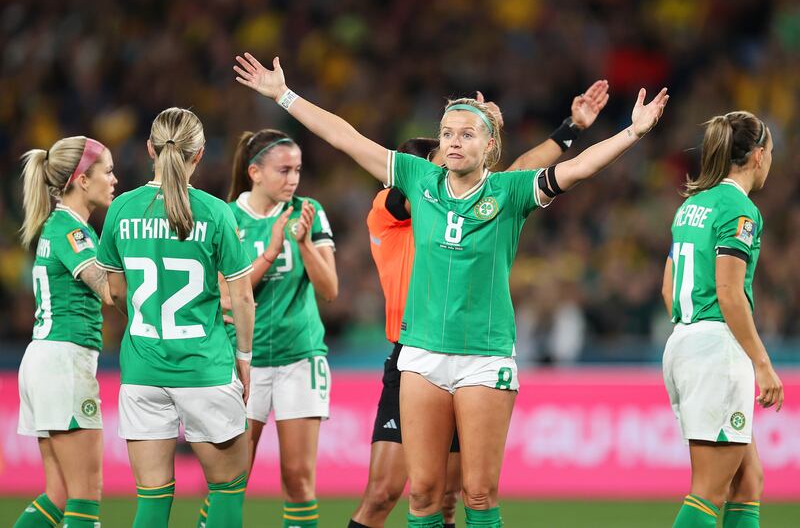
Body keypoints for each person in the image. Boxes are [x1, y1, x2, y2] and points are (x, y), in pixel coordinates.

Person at [233, 52, 667, 528]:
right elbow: (345, 137)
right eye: (447, 134)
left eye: (466, 134)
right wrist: (284, 95)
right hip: (420, 353)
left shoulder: (509, 192)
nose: (454, 142)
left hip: (484, 356)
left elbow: (578, 168)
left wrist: (632, 132)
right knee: (421, 493)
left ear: (490, 145)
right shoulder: (419, 180)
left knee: (477, 494)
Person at [350, 82, 609, 528]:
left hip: (470, 349)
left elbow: (516, 174)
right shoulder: (392, 210)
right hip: (414, 351)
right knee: (387, 492)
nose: (450, 160)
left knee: (454, 496)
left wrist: (567, 130)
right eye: (441, 153)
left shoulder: (467, 201)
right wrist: (475, 134)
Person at [95, 107, 255, 528]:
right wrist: (244, 357)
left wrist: (142, 317)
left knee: (151, 498)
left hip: (142, 370)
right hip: (205, 368)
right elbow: (242, 295)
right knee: (227, 489)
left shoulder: (121, 209)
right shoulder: (215, 212)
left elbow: (115, 291)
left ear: (150, 148)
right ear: (199, 153)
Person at [196, 128, 337, 528]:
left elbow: (330, 289)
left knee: (298, 479)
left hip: (300, 356)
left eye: (298, 170)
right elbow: (226, 295)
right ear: (255, 172)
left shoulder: (308, 211)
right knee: (232, 478)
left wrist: (304, 244)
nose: (293, 179)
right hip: (244, 361)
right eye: (284, 170)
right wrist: (272, 251)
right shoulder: (226, 216)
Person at [661, 111, 783, 528]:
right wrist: (762, 364)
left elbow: (668, 288)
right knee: (709, 491)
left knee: (749, 482)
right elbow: (729, 293)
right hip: (716, 351)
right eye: (771, 153)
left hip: (684, 343)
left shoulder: (691, 206)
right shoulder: (740, 210)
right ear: (759, 155)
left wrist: (693, 337)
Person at [14, 136, 117, 528]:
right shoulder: (72, 232)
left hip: (46, 359)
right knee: (86, 494)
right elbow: (107, 290)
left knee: (59, 494)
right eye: (107, 171)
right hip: (64, 362)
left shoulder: (61, 226)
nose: (114, 179)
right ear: (82, 180)